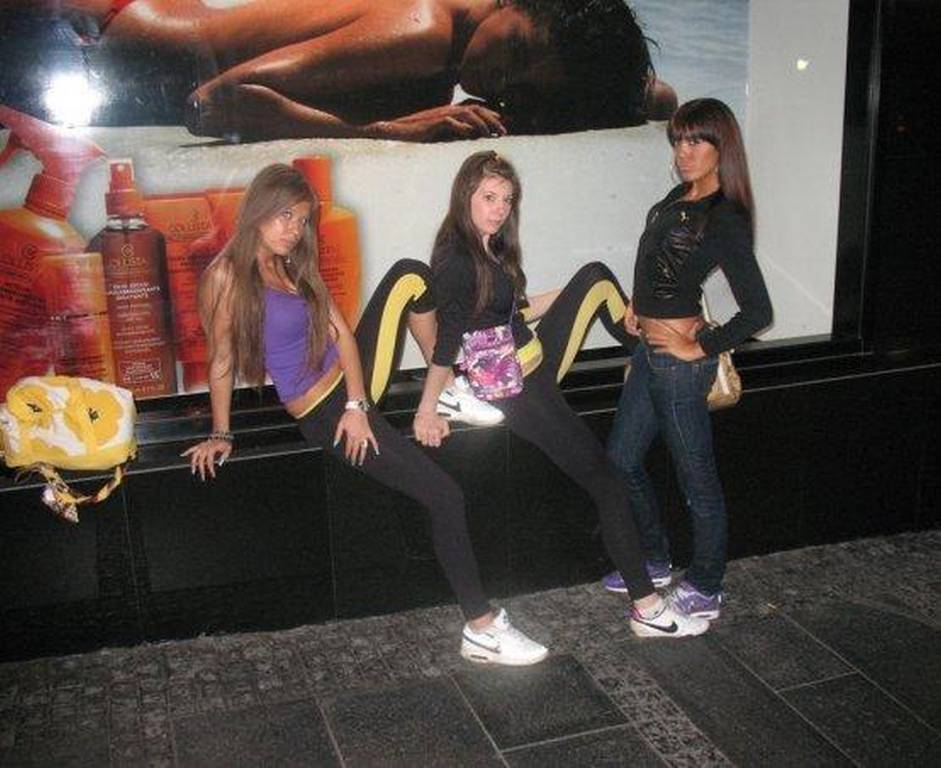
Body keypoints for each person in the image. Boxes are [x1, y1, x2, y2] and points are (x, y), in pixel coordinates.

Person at [183, 163, 546, 665]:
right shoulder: (226, 277)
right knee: (445, 495)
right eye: (285, 216)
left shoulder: (292, 266)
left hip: (351, 394)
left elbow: (343, 337)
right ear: (259, 210)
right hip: (322, 412)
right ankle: (481, 629)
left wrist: (357, 403)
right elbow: (221, 361)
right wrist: (221, 433)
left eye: (302, 220)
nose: (294, 229)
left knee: (411, 275)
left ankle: (447, 388)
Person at [412, 150, 709, 639]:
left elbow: (515, 310)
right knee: (607, 482)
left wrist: (568, 293)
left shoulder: (488, 248)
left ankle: (649, 349)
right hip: (517, 389)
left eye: (507, 199)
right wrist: (430, 405)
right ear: (465, 195)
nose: (499, 209)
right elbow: (448, 339)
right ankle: (648, 607)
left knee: (593, 276)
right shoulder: (458, 260)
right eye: (489, 197)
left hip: (533, 364)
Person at [15, 0, 675, 139]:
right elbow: (211, 103)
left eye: (524, 82)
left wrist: (636, 95)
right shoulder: (424, 31)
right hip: (92, 40)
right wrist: (384, 132)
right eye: (519, 52)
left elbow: (659, 98)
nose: (503, 80)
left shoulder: (456, 32)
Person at [603, 98, 773, 619]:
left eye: (696, 140)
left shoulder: (725, 216)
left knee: (696, 479)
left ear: (723, 147)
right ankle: (655, 559)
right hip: (649, 353)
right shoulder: (677, 197)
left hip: (680, 367)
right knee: (620, 461)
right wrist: (637, 304)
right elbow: (657, 260)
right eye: (678, 140)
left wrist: (699, 347)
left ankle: (706, 584)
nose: (684, 151)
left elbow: (758, 310)